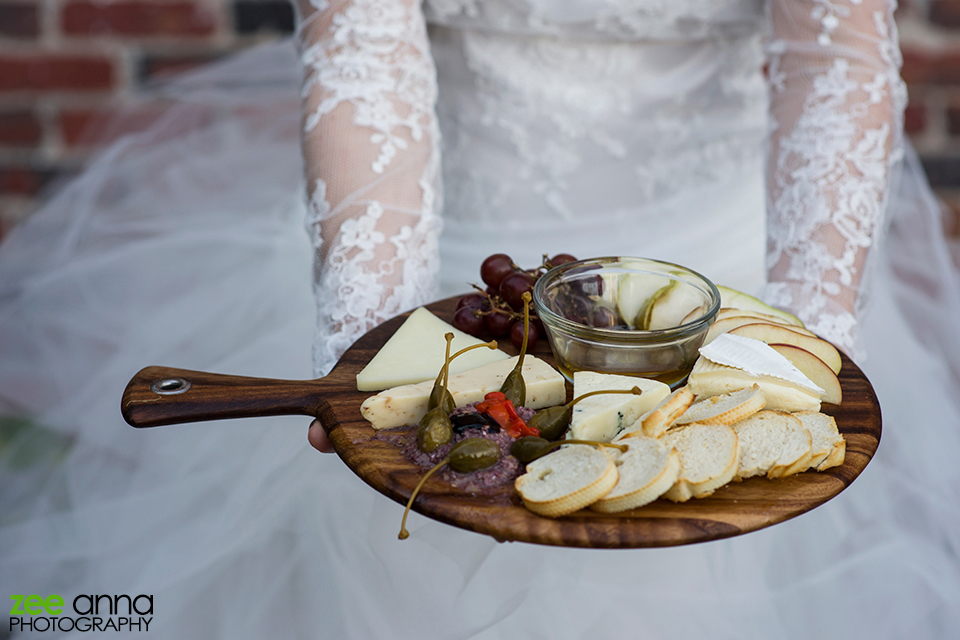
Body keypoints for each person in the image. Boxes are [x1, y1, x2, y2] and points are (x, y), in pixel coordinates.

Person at [2, 0, 959, 638]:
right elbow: (364, 54)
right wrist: (372, 344)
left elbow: (832, 58)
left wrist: (804, 351)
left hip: (720, 275)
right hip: (449, 270)